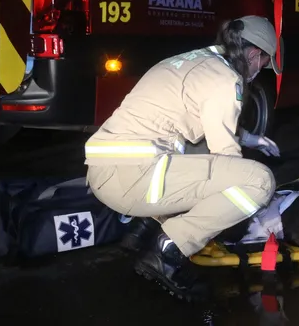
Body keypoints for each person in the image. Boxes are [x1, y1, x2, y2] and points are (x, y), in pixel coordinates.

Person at [84, 16, 281, 301]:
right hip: (132, 178)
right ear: (253, 54)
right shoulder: (227, 81)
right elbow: (227, 158)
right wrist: (241, 214)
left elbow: (207, 122)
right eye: (263, 63)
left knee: (197, 149)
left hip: (109, 170)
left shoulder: (195, 61)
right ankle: (169, 249)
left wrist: (252, 138)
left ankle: (141, 231)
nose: (261, 70)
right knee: (259, 181)